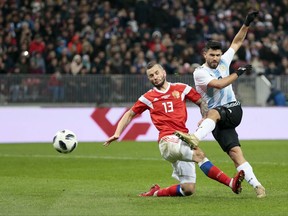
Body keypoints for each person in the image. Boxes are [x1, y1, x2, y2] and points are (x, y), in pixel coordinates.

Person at [104, 61, 245, 197]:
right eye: (151, 76)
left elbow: (201, 102)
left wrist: (204, 116)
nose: (155, 77)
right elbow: (129, 114)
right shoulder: (148, 97)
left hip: (183, 137)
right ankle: (231, 183)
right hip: (167, 141)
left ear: (164, 72)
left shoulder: (181, 88)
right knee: (199, 155)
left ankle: (156, 192)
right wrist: (117, 133)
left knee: (188, 189)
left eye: (157, 73)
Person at [175, 11, 266, 198]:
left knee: (214, 112)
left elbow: (237, 42)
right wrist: (237, 73)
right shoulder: (199, 72)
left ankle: (195, 137)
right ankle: (258, 187)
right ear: (204, 54)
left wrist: (246, 23)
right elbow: (218, 84)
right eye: (212, 55)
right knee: (235, 154)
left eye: (217, 55)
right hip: (215, 121)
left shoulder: (224, 61)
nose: (216, 58)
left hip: (232, 109)